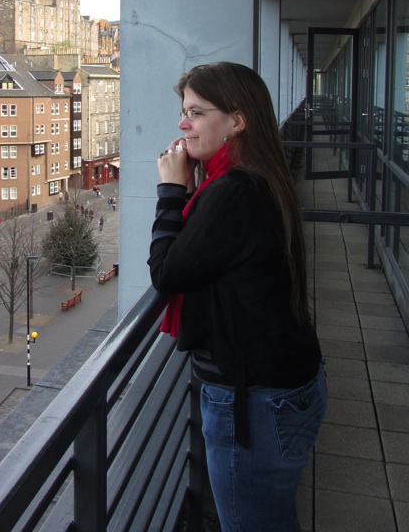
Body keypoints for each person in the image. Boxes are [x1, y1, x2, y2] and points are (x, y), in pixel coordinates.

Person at [148, 62, 326, 532]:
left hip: (256, 402)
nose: (183, 124)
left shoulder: (234, 190)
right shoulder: (257, 177)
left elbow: (167, 273)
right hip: (282, 388)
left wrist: (169, 191)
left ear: (238, 121)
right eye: (183, 111)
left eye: (196, 112)